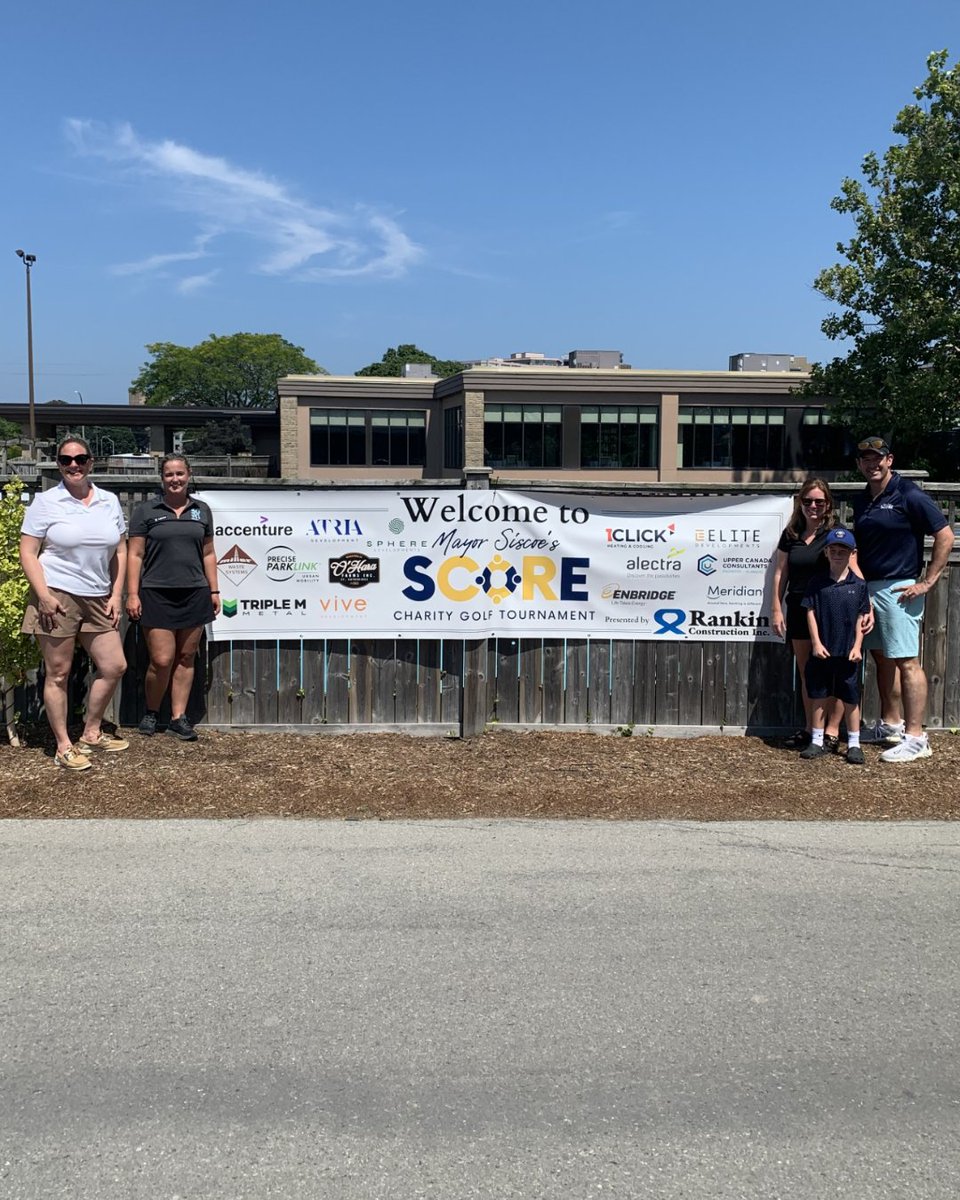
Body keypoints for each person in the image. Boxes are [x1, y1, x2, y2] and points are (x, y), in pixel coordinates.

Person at [19, 436, 129, 770]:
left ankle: (92, 732)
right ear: (58, 464)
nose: (73, 465)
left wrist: (116, 594)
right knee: (58, 673)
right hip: (56, 594)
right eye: (66, 460)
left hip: (98, 595)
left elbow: (120, 551)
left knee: (114, 666)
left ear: (91, 461)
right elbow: (28, 552)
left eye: (80, 459)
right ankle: (64, 745)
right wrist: (44, 596)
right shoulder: (46, 502)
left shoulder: (108, 501)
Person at [852, 435, 955, 763]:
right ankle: (892, 725)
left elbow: (945, 534)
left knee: (907, 660)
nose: (872, 464)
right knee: (882, 658)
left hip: (900, 589)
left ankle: (916, 737)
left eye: (877, 458)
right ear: (859, 464)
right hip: (870, 588)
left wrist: (927, 582)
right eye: (866, 460)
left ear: (889, 460)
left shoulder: (909, 493)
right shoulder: (863, 499)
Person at [126, 454, 220, 741]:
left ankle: (179, 718)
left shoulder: (201, 511)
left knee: (186, 656)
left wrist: (214, 590)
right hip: (155, 593)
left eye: (180, 473)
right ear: (162, 478)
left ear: (189, 475)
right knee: (162, 660)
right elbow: (135, 554)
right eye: (169, 474)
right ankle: (152, 712)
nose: (175, 479)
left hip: (195, 593)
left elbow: (208, 553)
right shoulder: (146, 511)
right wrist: (132, 593)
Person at [771, 478, 845, 751]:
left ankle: (832, 731)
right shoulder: (791, 534)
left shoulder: (836, 533)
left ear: (828, 505)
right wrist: (776, 607)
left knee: (836, 671)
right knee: (808, 674)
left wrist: (865, 605)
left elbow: (854, 569)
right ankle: (810, 728)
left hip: (832, 610)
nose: (813, 506)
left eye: (819, 502)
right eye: (808, 501)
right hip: (800, 609)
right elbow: (781, 573)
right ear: (800, 503)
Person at [798, 528, 871, 764]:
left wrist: (858, 646)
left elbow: (862, 617)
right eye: (833, 550)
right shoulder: (816, 583)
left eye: (843, 551)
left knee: (850, 698)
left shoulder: (859, 585)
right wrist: (816, 643)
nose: (838, 554)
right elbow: (810, 613)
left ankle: (853, 744)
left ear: (852, 553)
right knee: (819, 695)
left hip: (848, 652)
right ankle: (817, 741)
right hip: (822, 650)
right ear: (827, 552)